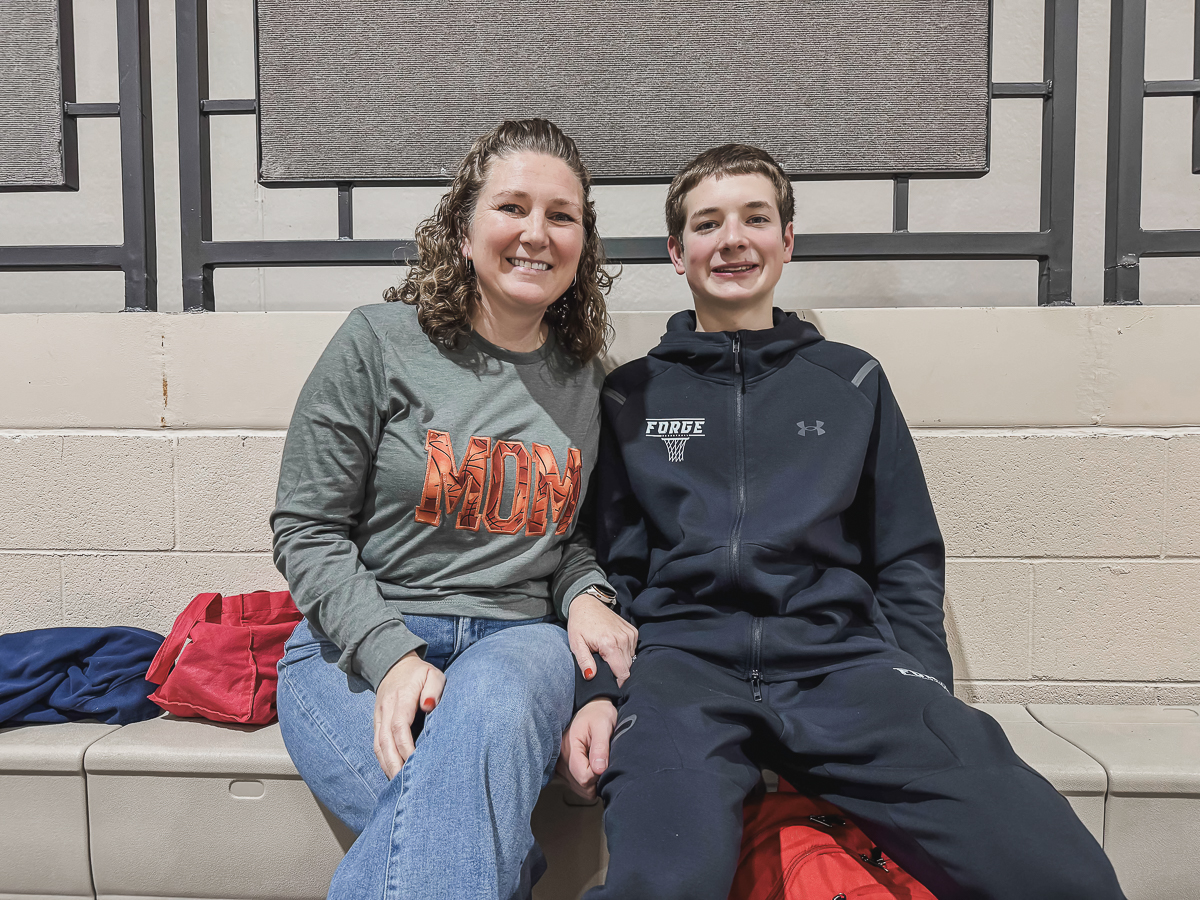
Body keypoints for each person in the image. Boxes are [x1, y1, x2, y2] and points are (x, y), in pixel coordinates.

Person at [561, 144, 1127, 899]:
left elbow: (907, 559)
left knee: (1062, 874)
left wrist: (921, 682)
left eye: (755, 218)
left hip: (842, 668)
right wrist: (596, 690)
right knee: (661, 883)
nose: (732, 239)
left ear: (787, 241)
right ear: (677, 251)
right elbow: (605, 569)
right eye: (708, 223)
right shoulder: (632, 395)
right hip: (683, 673)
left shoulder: (852, 381)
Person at [271, 118, 638, 900]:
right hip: (352, 653)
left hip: (519, 646)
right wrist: (391, 654)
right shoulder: (377, 343)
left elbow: (570, 536)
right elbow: (306, 529)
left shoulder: (588, 382)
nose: (536, 232)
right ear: (464, 233)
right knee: (468, 840)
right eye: (511, 207)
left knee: (453, 804)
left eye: (561, 215)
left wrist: (584, 596)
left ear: (583, 247)